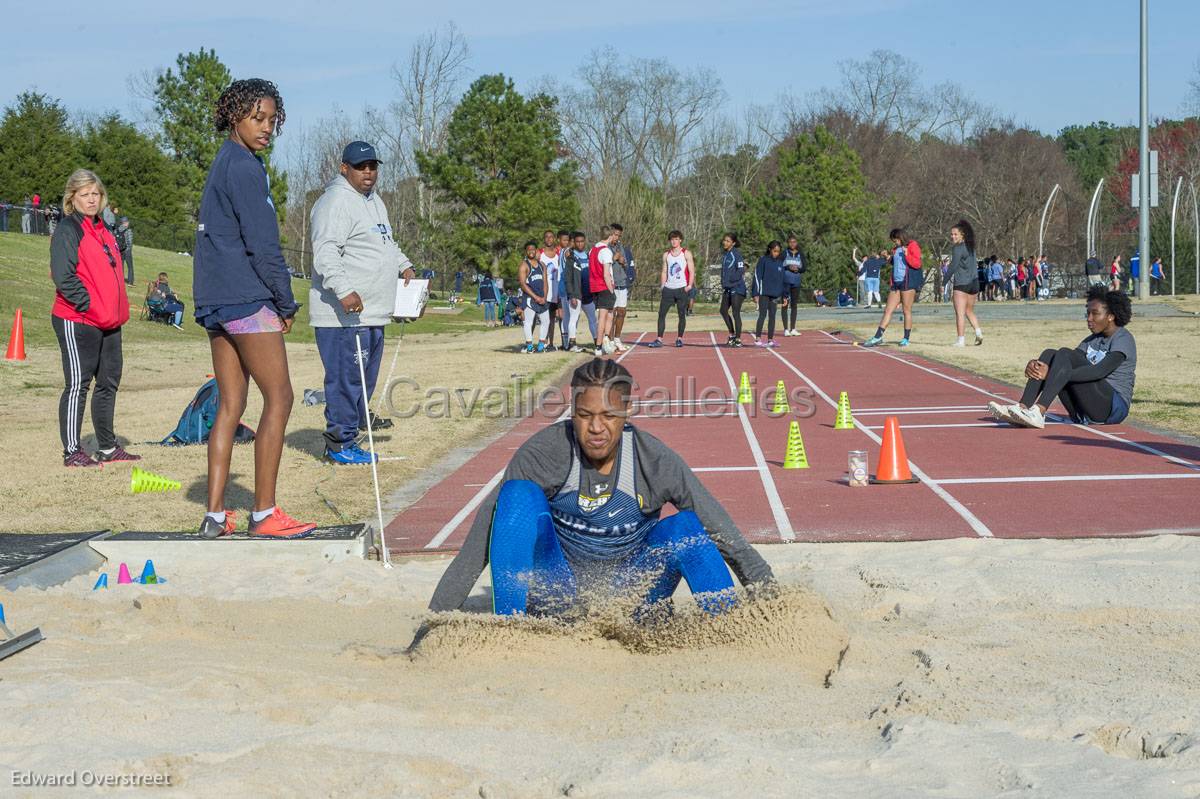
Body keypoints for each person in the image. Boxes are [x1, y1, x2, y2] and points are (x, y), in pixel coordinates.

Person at [423, 358, 775, 619]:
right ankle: (511, 632)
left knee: (686, 528)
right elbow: (476, 549)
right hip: (557, 597)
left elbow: (725, 535)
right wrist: (435, 620)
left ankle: (729, 630)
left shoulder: (654, 460)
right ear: (572, 412)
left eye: (608, 416)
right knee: (516, 496)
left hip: (633, 599)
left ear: (626, 414)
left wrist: (773, 602)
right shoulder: (545, 452)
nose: (596, 428)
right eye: (584, 415)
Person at [193, 77, 315, 539]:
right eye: (256, 118)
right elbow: (264, 246)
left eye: (271, 120)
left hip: (215, 299)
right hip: (245, 297)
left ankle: (215, 514)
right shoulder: (245, 167)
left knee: (230, 403)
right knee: (279, 397)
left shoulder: (222, 161)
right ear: (233, 116)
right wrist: (285, 301)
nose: (265, 128)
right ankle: (264, 514)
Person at [308, 140, 415, 466]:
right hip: (343, 317)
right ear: (345, 168)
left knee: (363, 382)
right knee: (345, 380)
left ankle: (349, 437)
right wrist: (343, 290)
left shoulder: (375, 202)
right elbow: (325, 251)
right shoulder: (335, 202)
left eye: (372, 166)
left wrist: (404, 265)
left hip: (373, 313)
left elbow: (385, 243)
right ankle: (339, 443)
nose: (368, 173)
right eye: (360, 167)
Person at [50, 169, 139, 468]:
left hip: (110, 322)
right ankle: (72, 451)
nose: (91, 199)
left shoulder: (104, 229)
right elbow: (63, 276)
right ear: (72, 198)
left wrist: (111, 309)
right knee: (78, 383)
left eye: (95, 194)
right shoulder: (68, 230)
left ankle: (108, 447)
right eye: (84, 194)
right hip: (78, 319)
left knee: (109, 382)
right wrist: (88, 305)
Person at [989, 285, 1135, 430]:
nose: (1089, 318)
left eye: (1095, 313)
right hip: (1083, 409)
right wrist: (1037, 366)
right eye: (1088, 313)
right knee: (1050, 354)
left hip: (1111, 409)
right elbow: (1064, 364)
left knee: (1064, 353)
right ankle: (1022, 407)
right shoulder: (1091, 340)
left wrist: (1051, 374)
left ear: (1111, 316)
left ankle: (1039, 411)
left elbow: (1099, 372)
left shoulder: (1123, 338)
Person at [863, 228, 922, 347]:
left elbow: (917, 264)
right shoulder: (895, 249)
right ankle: (878, 336)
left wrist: (907, 254)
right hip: (896, 283)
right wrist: (888, 257)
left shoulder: (912, 245)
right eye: (893, 241)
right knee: (888, 310)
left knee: (906, 310)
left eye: (896, 240)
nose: (894, 243)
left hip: (908, 282)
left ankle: (906, 338)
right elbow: (896, 263)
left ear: (901, 238)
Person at [649, 229, 694, 349]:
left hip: (681, 289)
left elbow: (691, 270)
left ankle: (679, 338)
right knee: (661, 314)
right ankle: (659, 339)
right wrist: (663, 286)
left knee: (681, 315)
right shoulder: (666, 255)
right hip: (668, 289)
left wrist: (689, 286)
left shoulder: (686, 253)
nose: (674, 241)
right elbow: (664, 271)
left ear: (680, 240)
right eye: (672, 239)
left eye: (676, 239)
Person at [948, 220, 983, 347]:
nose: (953, 237)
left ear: (962, 234)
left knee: (960, 313)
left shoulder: (958, 248)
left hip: (962, 284)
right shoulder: (971, 247)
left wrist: (943, 283)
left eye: (955, 234)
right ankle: (978, 332)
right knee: (969, 310)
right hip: (974, 283)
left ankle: (960, 340)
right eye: (951, 234)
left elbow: (952, 266)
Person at [588, 225, 621, 355]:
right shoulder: (605, 251)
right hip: (604, 286)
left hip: (595, 287)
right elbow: (606, 274)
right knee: (603, 317)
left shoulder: (592, 250)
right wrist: (611, 289)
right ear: (611, 235)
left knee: (609, 313)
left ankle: (606, 338)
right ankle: (599, 345)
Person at [752, 240, 788, 347]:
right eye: (774, 251)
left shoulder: (780, 263)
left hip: (775, 294)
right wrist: (755, 293)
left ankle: (770, 340)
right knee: (762, 315)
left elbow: (782, 280)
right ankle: (758, 339)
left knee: (772, 317)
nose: (776, 253)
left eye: (778, 251)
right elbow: (757, 277)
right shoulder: (763, 260)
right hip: (764, 293)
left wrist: (785, 295)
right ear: (770, 249)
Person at [518, 241, 550, 353]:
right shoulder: (524, 265)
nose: (531, 251)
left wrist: (544, 297)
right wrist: (535, 297)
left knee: (546, 321)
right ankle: (529, 346)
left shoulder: (542, 265)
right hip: (530, 298)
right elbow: (522, 284)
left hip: (541, 298)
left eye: (533, 249)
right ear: (526, 251)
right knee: (528, 322)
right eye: (528, 249)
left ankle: (541, 345)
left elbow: (545, 282)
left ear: (536, 250)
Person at [562, 231, 590, 352]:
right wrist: (571, 294)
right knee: (572, 317)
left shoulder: (588, 255)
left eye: (581, 241)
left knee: (591, 318)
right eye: (576, 241)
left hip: (587, 292)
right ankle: (571, 343)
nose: (578, 244)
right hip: (574, 292)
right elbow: (568, 278)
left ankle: (597, 341)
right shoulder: (569, 255)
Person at [718, 233, 747, 347]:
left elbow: (740, 271)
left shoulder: (736, 254)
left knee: (735, 313)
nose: (725, 242)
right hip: (728, 288)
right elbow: (724, 271)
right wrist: (723, 282)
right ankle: (732, 334)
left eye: (728, 241)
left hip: (737, 288)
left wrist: (730, 281)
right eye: (724, 240)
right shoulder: (725, 255)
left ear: (733, 243)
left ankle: (738, 339)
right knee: (723, 311)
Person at [536, 229, 562, 351]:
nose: (549, 239)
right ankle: (538, 342)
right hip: (543, 292)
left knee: (552, 319)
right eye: (546, 237)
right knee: (542, 318)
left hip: (555, 293)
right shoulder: (539, 253)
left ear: (554, 239)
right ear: (544, 239)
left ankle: (550, 343)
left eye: (551, 237)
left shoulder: (559, 254)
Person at [611, 225, 635, 346]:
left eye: (619, 235)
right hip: (611, 284)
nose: (617, 237)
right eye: (615, 234)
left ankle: (617, 339)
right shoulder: (604, 247)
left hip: (622, 282)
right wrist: (614, 258)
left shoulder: (621, 246)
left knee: (622, 312)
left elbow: (626, 263)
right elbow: (601, 264)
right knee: (612, 313)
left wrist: (623, 262)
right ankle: (609, 339)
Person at [781, 235, 806, 336]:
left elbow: (804, 267)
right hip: (786, 281)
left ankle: (793, 328)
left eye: (794, 242)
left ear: (797, 243)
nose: (792, 244)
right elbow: (779, 265)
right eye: (790, 242)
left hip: (796, 282)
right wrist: (788, 267)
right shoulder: (784, 253)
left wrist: (798, 269)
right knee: (785, 304)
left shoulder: (801, 254)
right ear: (788, 243)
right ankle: (786, 329)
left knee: (794, 305)